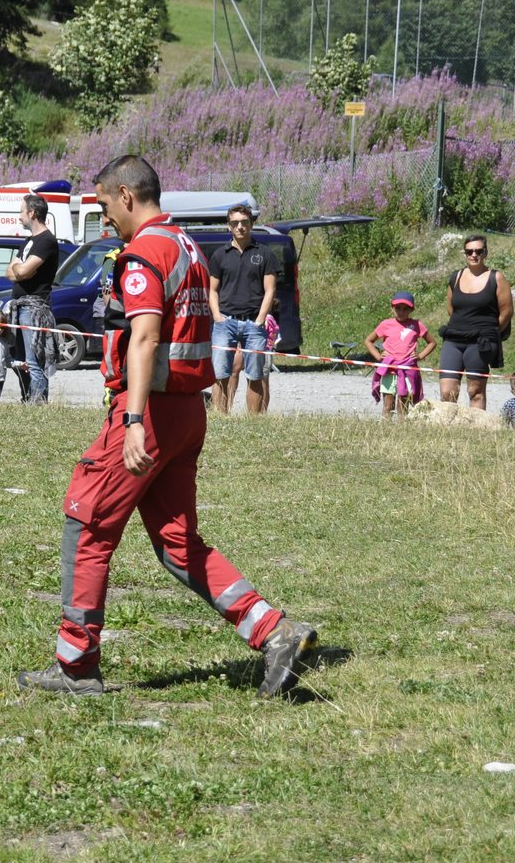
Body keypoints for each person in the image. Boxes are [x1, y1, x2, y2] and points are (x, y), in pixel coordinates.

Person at [16, 155, 320, 699]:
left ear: (127, 196)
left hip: (151, 414)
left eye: (106, 204)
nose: (105, 218)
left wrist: (132, 419)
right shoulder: (187, 246)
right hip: (187, 413)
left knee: (86, 525)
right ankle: (275, 631)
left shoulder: (145, 252)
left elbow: (146, 338)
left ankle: (75, 664)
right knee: (179, 545)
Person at [207, 204, 281, 415]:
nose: (240, 227)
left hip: (253, 324)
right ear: (228, 226)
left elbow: (270, 290)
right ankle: (221, 417)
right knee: (220, 372)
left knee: (256, 375)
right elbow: (212, 290)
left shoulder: (265, 254)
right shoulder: (220, 255)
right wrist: (217, 317)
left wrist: (259, 319)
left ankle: (253, 421)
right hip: (225, 323)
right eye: (235, 223)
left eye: (244, 222)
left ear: (251, 224)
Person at [438, 234, 513, 410]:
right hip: (453, 340)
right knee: (448, 392)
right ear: (464, 253)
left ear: (485, 253)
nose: (474, 255)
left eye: (478, 251)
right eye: (469, 251)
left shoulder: (496, 277)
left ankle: (476, 432)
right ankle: (447, 431)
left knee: (475, 391)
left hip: (480, 342)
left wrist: (490, 333)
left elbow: (507, 312)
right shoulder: (455, 277)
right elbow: (451, 308)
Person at [5, 193, 62, 403]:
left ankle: (37, 404)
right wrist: (19, 270)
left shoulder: (46, 241)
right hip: (19, 308)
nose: (19, 217)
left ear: (32, 213)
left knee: (35, 361)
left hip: (34, 309)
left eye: (21, 211)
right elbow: (11, 272)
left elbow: (23, 271)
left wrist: (20, 270)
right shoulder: (29, 241)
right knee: (18, 360)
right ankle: (27, 398)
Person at [366, 291, 435, 421]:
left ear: (411, 310)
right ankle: (385, 429)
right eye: (398, 308)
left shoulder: (416, 325)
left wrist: (419, 356)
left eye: (405, 309)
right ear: (392, 308)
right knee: (388, 405)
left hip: (407, 370)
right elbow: (368, 341)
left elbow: (432, 342)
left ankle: (403, 429)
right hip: (389, 370)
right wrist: (379, 356)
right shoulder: (386, 324)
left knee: (403, 405)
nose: (401, 312)